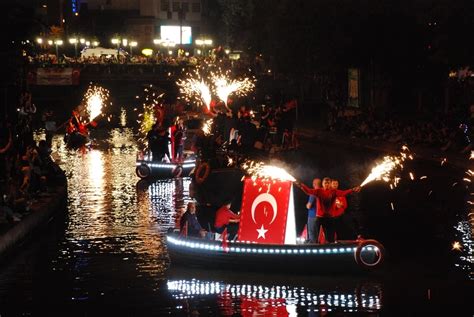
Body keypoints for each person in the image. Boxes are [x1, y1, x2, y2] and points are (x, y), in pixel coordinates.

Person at [294, 177, 360, 243]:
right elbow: (308, 191)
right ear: (322, 184)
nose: (327, 184)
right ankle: (316, 248)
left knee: (330, 238)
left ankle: (330, 247)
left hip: (329, 218)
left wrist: (352, 190)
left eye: (328, 183)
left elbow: (344, 193)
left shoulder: (334, 191)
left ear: (330, 184)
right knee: (315, 238)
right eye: (325, 183)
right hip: (319, 217)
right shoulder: (319, 191)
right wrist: (301, 185)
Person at [305, 178, 321, 243]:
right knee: (316, 232)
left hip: (312, 215)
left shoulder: (313, 193)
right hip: (319, 215)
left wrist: (306, 205)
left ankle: (312, 246)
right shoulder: (322, 192)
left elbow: (309, 206)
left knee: (312, 232)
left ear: (314, 184)